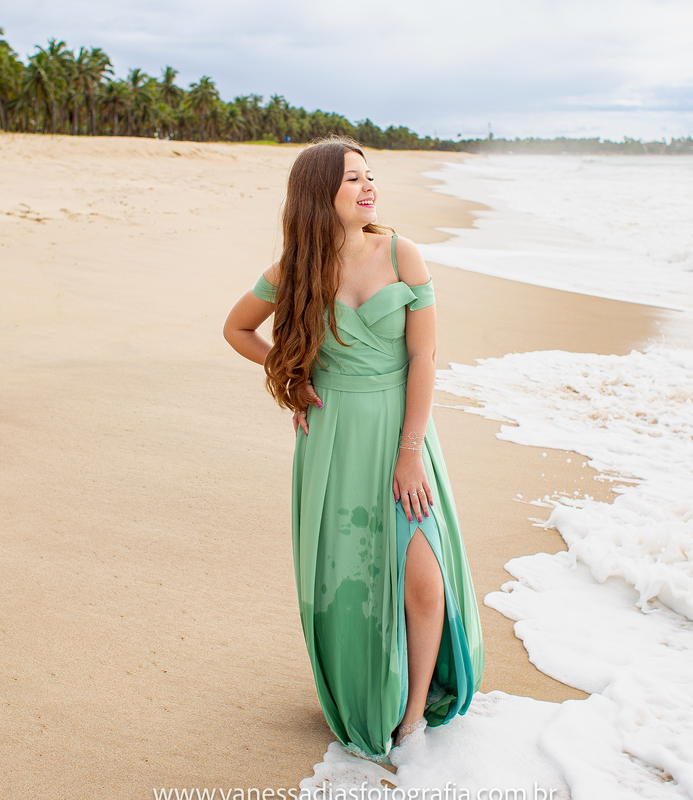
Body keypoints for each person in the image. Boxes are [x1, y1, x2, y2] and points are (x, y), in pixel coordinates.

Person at [223, 136, 483, 763]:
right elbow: (237, 328)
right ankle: (367, 691)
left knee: (424, 578)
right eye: (351, 180)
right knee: (351, 579)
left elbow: (424, 357)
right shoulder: (293, 270)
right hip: (335, 437)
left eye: (370, 177)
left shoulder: (403, 254)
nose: (368, 188)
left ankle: (415, 713)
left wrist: (411, 451)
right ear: (319, 194)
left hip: (402, 432)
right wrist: (290, 379)